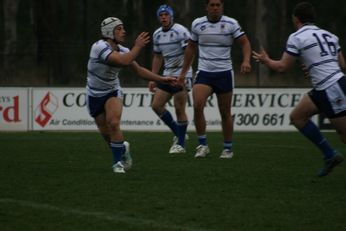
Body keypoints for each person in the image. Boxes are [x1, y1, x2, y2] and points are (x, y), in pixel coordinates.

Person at [252, 2, 345, 177]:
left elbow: (282, 67)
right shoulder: (330, 35)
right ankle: (330, 155)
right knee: (297, 117)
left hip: (331, 88)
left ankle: (330, 154)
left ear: (296, 19)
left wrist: (266, 60)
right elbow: (342, 65)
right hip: (327, 86)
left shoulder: (297, 37)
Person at [86, 17, 176, 173]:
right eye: (119, 28)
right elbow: (122, 61)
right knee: (106, 134)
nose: (124, 31)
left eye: (123, 28)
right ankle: (122, 149)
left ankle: (117, 163)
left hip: (112, 91)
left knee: (113, 123)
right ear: (109, 32)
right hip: (94, 94)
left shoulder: (124, 50)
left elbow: (139, 70)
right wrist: (138, 46)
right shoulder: (99, 47)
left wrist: (162, 79)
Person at [177, 0, 252, 158]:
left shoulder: (231, 23)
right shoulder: (198, 24)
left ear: (222, 7)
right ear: (206, 7)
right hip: (204, 72)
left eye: (218, 5)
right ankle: (203, 145)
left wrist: (246, 60)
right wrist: (183, 72)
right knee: (197, 105)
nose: (215, 8)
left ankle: (227, 148)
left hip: (224, 73)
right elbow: (191, 47)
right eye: (212, 5)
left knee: (225, 113)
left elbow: (245, 43)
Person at [149, 4, 193, 154]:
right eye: (161, 15)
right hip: (167, 75)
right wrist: (153, 78)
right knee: (156, 105)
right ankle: (179, 133)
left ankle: (180, 145)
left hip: (182, 75)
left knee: (179, 108)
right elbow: (157, 56)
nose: (163, 17)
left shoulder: (180, 31)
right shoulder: (157, 34)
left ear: (171, 16)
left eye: (166, 14)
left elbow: (190, 52)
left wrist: (183, 75)